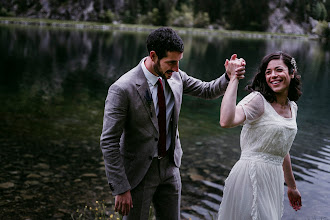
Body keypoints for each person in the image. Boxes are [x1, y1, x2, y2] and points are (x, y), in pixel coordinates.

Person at [100, 27, 245, 219]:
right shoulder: (122, 89)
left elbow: (208, 90)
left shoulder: (176, 76)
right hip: (138, 174)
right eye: (171, 62)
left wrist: (228, 76)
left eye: (178, 62)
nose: (176, 68)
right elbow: (109, 141)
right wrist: (120, 188)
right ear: (153, 55)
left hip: (170, 167)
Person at [217, 51, 302, 219]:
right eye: (268, 72)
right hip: (250, 175)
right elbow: (226, 121)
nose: (273, 76)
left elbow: (281, 147)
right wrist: (233, 78)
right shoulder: (258, 101)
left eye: (278, 70)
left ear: (291, 73)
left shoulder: (293, 107)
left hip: (273, 179)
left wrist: (291, 186)